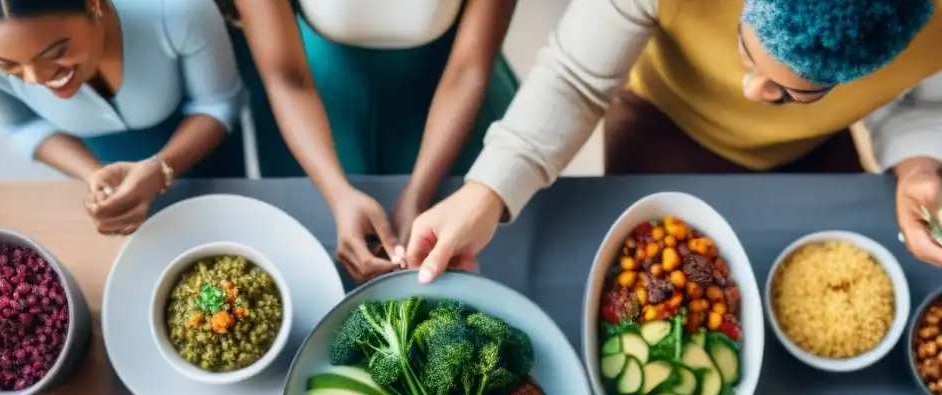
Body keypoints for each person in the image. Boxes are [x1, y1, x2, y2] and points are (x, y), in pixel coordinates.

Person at [404, 0, 942, 281]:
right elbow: (573, 80)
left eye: (790, 92)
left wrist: (918, 164)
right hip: (661, 121)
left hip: (815, 148)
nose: (750, 92)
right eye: (746, 53)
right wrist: (486, 191)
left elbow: (913, 99)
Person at [231, 0, 518, 284]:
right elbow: (287, 77)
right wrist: (339, 194)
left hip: (453, 103)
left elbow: (468, 69)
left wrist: (418, 192)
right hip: (313, 110)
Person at [0, 0, 245, 236]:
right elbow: (19, 124)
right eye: (8, 66)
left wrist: (162, 168)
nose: (36, 78)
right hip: (94, 148)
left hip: (197, 135)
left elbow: (216, 103)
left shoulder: (178, 9)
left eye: (54, 53)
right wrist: (93, 174)